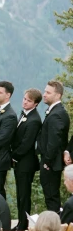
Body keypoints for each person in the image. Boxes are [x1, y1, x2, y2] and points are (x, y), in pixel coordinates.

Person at [11, 88, 42, 231]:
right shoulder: (24, 114)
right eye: (24, 99)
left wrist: (13, 156)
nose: (25, 102)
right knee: (20, 194)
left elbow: (27, 144)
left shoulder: (34, 120)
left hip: (26, 163)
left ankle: (23, 225)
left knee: (24, 195)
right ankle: (20, 222)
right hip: (20, 162)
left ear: (35, 104)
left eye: (29, 101)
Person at [37, 80, 71, 213]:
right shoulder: (54, 111)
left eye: (48, 92)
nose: (44, 94)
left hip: (51, 164)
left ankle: (55, 228)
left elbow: (54, 141)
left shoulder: (57, 114)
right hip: (50, 162)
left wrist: (47, 162)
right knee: (50, 196)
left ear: (58, 95)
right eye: (45, 91)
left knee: (52, 198)